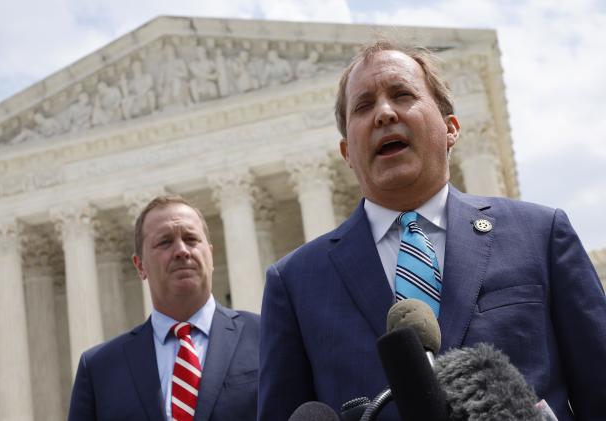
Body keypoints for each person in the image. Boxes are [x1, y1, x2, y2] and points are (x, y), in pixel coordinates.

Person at [258, 39, 606, 421]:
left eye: (402, 94)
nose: (384, 114)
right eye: (364, 105)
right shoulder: (294, 283)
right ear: (346, 153)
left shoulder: (540, 235)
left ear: (451, 128)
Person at [68, 195, 260, 421]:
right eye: (165, 242)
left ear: (211, 254)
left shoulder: (264, 336)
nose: (181, 250)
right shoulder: (99, 369)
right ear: (140, 266)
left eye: (191, 239)